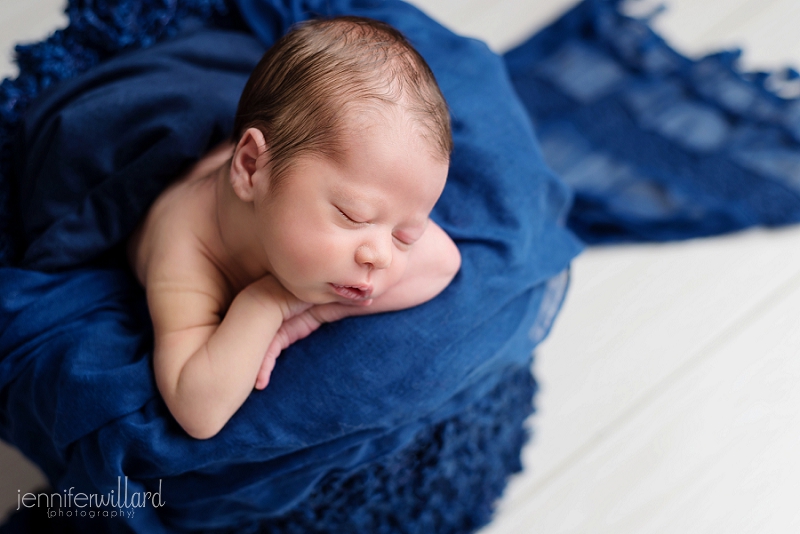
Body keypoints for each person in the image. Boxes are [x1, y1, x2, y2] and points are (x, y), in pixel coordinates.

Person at [127, 16, 461, 439]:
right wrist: (267, 303)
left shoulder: (322, 208)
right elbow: (196, 411)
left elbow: (444, 262)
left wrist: (306, 315)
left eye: (404, 235)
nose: (380, 256)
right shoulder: (188, 250)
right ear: (250, 167)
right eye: (354, 216)